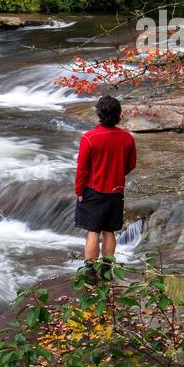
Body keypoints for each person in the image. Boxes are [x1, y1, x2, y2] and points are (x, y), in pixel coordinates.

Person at [74, 95, 136, 284]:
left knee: (93, 232)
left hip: (93, 190)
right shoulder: (127, 138)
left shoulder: (89, 138)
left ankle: (91, 272)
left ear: (99, 114)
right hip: (116, 191)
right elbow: (131, 164)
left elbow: (82, 169)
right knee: (109, 231)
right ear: (118, 114)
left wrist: (79, 191)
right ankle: (107, 270)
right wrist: (117, 174)